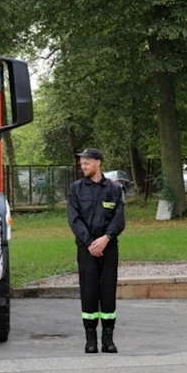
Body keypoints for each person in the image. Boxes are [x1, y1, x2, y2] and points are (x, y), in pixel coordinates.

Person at [67, 148, 126, 354]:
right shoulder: (76, 189)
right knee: (89, 291)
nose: (83, 167)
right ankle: (90, 339)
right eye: (81, 164)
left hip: (108, 249)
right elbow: (74, 219)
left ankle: (108, 339)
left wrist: (105, 239)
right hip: (86, 250)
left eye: (87, 163)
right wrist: (91, 243)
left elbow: (119, 219)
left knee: (107, 292)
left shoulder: (114, 189)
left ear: (98, 163)